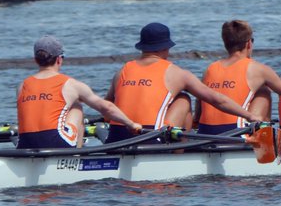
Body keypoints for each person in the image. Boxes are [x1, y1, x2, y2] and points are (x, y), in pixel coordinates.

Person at [105, 22, 263, 143]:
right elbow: (217, 100)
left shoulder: (121, 71)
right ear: (166, 47)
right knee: (183, 99)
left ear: (143, 47)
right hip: (150, 141)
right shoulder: (177, 74)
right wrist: (249, 115)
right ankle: (180, 154)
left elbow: (106, 108)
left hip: (115, 139)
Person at [17, 36, 142, 149]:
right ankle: (78, 153)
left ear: (35, 60)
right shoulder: (70, 85)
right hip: (55, 142)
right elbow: (107, 108)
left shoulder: (22, 86)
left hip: (24, 144)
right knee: (76, 106)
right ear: (59, 59)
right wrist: (131, 124)